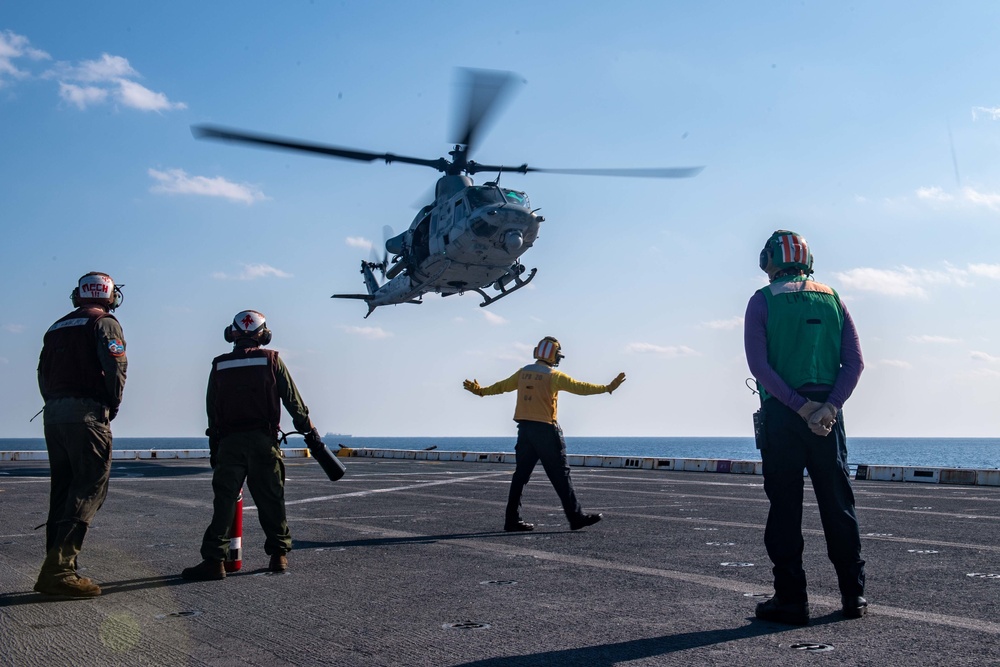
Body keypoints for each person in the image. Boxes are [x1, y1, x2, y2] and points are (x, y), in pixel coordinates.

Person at [744, 230, 866, 625]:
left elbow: (759, 367)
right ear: (807, 259)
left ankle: (791, 600)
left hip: (784, 413)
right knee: (838, 504)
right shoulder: (834, 299)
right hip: (828, 419)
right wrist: (828, 407)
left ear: (769, 262)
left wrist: (799, 406)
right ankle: (854, 595)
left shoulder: (761, 301)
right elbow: (855, 363)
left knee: (785, 508)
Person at [182, 310, 327, 580]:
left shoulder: (219, 364)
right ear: (264, 334)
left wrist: (216, 448)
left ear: (232, 334)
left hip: (229, 443)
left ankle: (214, 560)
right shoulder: (271, 360)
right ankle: (278, 555)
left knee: (224, 502)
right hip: (264, 442)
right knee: (271, 499)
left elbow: (212, 412)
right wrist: (311, 433)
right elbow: (293, 402)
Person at [463, 337, 625, 532]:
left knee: (520, 476)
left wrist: (480, 391)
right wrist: (607, 388)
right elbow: (581, 387)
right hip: (546, 431)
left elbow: (500, 387)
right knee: (561, 475)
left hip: (525, 431)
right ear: (554, 355)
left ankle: (511, 520)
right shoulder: (553, 376)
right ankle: (575, 517)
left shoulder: (523, 373)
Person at [34, 272, 127, 598]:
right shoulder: (105, 323)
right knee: (88, 490)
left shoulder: (57, 326)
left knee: (62, 492)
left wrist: (55, 404)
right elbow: (116, 368)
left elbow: (42, 373)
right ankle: (59, 571)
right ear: (110, 296)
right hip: (86, 414)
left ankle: (57, 567)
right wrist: (111, 405)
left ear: (78, 295)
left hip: (54, 415)